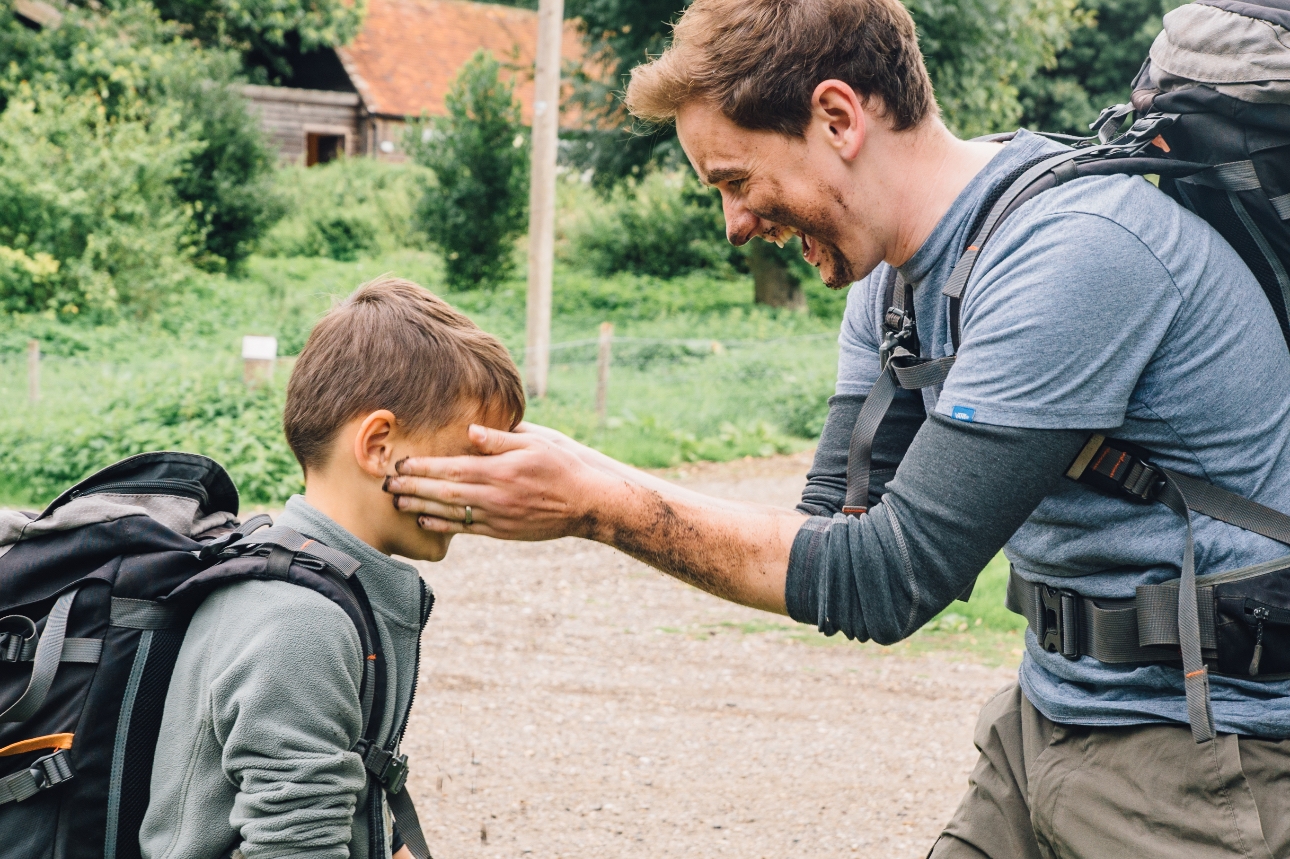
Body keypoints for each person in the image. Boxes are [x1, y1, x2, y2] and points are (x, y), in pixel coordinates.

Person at [381, 0, 1290, 855]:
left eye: (736, 180)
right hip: (1048, 715)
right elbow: (828, 529)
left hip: (1205, 751)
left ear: (837, 118)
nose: (735, 225)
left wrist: (596, 503)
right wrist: (585, 472)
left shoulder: (1074, 254)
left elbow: (888, 577)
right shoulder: (892, 280)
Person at [140, 277, 525, 859]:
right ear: (379, 446)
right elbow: (297, 847)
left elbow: (350, 802)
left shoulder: (323, 585)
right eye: (469, 460)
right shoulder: (299, 622)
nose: (486, 486)